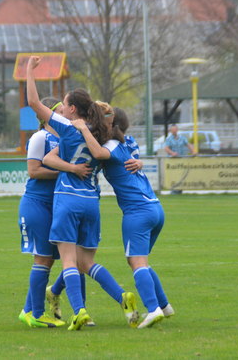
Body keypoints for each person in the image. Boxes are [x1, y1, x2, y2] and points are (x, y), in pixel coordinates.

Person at [26, 55, 139, 331]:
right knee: (87, 262)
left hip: (67, 200)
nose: (61, 109)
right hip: (92, 203)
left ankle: (80, 312)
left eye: (64, 104)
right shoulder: (103, 135)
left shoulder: (68, 128)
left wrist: (30, 71)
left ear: (73, 109)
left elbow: (33, 103)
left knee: (67, 261)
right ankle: (122, 296)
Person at [72, 107, 175, 329]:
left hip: (138, 211)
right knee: (142, 261)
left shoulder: (111, 145)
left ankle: (153, 309)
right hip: (155, 208)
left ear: (110, 124)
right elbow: (133, 159)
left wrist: (83, 128)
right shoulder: (128, 141)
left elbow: (99, 154)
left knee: (136, 262)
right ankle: (164, 305)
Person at [17, 97, 91, 328]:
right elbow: (33, 170)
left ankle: (29, 310)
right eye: (59, 110)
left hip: (59, 204)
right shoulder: (40, 137)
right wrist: (67, 172)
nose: (64, 114)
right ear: (47, 114)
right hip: (38, 204)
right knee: (44, 258)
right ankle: (36, 314)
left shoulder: (65, 137)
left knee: (67, 258)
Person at [163, 125, 196, 193]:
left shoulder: (182, 138)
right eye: (172, 130)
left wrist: (193, 151)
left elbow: (188, 145)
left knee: (181, 175)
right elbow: (166, 148)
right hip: (172, 161)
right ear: (170, 131)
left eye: (175, 129)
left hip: (181, 160)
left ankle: (180, 189)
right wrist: (172, 153)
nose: (174, 131)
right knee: (174, 175)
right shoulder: (169, 139)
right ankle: (173, 190)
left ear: (177, 130)